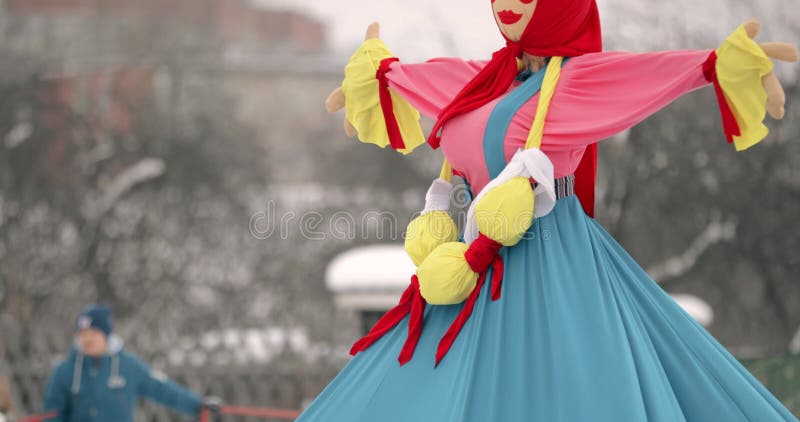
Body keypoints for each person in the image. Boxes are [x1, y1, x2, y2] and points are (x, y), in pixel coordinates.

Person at [298, 0, 799, 421]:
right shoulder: (482, 83)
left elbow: (649, 76)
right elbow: (414, 78)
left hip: (553, 260)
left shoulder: (574, 85)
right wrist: (379, 75)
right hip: (467, 269)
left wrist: (718, 64)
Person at [43, 305, 221, 422]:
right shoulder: (65, 371)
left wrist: (197, 404)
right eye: (82, 334)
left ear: (106, 335)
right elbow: (52, 412)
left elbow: (162, 389)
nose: (87, 339)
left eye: (93, 333)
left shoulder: (129, 367)